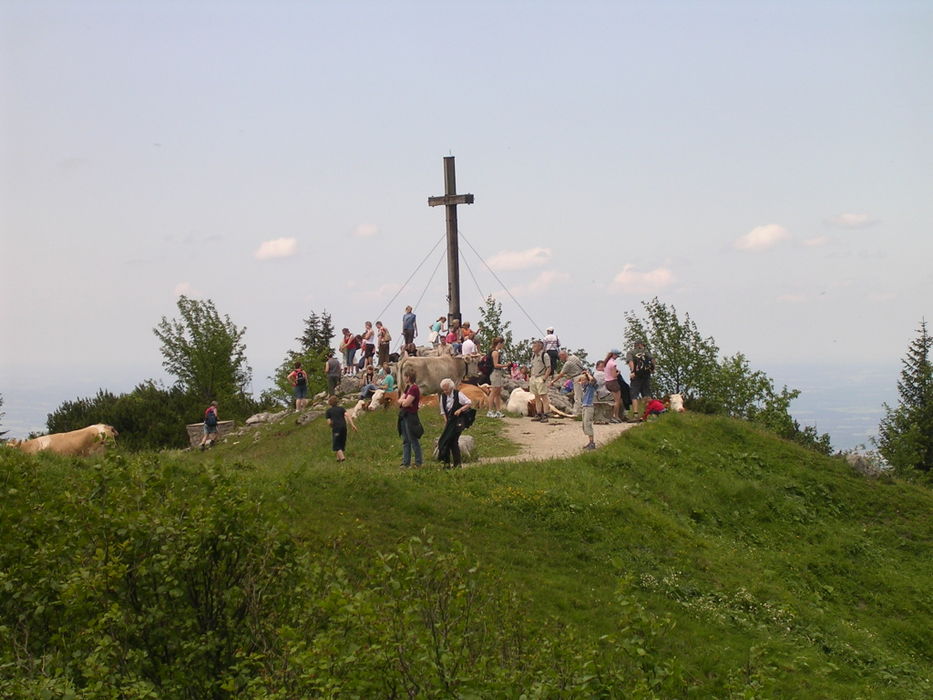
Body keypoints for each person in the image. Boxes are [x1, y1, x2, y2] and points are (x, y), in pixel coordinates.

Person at [437, 377, 474, 469]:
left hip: (457, 422)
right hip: (449, 422)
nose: (445, 391)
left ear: (451, 388)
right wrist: (446, 421)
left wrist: (460, 410)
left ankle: (454, 464)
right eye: (444, 389)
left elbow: (469, 403)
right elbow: (442, 411)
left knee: (453, 441)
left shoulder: (458, 394)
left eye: (446, 389)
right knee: (445, 441)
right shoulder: (443, 396)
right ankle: (449, 463)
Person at [397, 368, 423, 468]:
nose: (404, 378)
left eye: (405, 376)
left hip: (411, 417)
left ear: (408, 377)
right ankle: (405, 462)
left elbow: (406, 402)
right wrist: (404, 402)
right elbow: (400, 400)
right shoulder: (408, 387)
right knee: (406, 440)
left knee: (413, 439)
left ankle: (418, 462)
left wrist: (405, 402)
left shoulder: (414, 389)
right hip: (404, 415)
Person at [551, 349, 586, 416]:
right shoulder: (574, 357)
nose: (560, 359)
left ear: (563, 355)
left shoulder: (568, 363)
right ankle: (583, 411)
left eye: (560, 357)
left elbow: (561, 374)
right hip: (583, 376)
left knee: (577, 397)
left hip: (577, 378)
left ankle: (576, 413)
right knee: (582, 395)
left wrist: (553, 381)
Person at [325, 395, 357, 462]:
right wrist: (352, 425)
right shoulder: (341, 408)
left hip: (336, 428)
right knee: (341, 442)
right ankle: (338, 459)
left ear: (329, 403)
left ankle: (342, 458)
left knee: (336, 444)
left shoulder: (328, 411)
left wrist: (331, 425)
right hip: (344, 427)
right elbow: (347, 415)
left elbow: (329, 422)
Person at [529, 339, 552, 422]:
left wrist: (544, 378)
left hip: (540, 377)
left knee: (544, 396)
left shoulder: (544, 355)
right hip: (533, 377)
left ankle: (546, 414)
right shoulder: (533, 355)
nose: (533, 347)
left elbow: (549, 367)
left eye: (534, 346)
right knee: (536, 396)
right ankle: (538, 413)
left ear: (539, 347)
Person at [487, 337, 507, 418]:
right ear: (499, 343)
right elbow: (495, 365)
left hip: (497, 373)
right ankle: (490, 410)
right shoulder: (495, 352)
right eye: (502, 343)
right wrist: (505, 365)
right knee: (493, 392)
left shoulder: (495, 351)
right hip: (495, 373)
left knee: (498, 392)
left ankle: (498, 410)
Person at [578, 370, 598, 450]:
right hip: (584, 407)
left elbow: (593, 380)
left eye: (583, 380)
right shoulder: (584, 388)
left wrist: (587, 374)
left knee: (588, 424)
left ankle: (592, 443)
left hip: (589, 407)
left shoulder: (591, 386)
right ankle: (590, 442)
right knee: (584, 425)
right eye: (581, 380)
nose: (582, 382)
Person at [604, 349, 625, 424]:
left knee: (613, 400)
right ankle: (615, 416)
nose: (617, 356)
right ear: (614, 355)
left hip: (607, 382)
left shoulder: (606, 362)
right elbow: (614, 375)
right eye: (617, 355)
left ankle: (613, 416)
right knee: (617, 401)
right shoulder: (613, 364)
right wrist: (618, 372)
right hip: (613, 382)